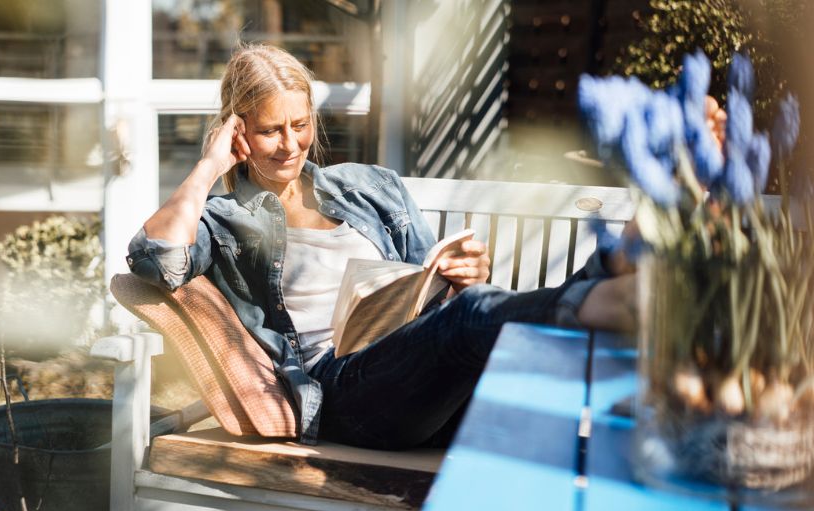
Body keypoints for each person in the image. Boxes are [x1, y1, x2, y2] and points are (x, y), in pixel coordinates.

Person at [127, 44, 634, 449]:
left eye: (300, 126)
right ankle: (613, 293)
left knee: (479, 315)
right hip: (343, 393)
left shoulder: (369, 187)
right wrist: (210, 165)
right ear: (236, 131)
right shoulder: (221, 219)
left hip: (420, 380)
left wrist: (462, 276)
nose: (290, 144)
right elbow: (157, 259)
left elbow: (431, 291)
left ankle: (625, 259)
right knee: (478, 315)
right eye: (268, 131)